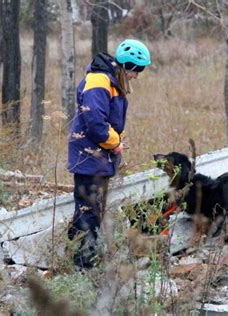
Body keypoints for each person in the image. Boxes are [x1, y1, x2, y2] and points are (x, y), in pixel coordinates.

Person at [67, 39, 151, 269]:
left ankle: (71, 257)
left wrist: (115, 146)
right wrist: (115, 143)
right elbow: (95, 123)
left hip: (98, 159)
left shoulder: (112, 81)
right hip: (88, 157)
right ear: (127, 66)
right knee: (89, 214)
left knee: (90, 210)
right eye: (138, 70)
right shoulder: (99, 80)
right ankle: (83, 269)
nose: (138, 76)